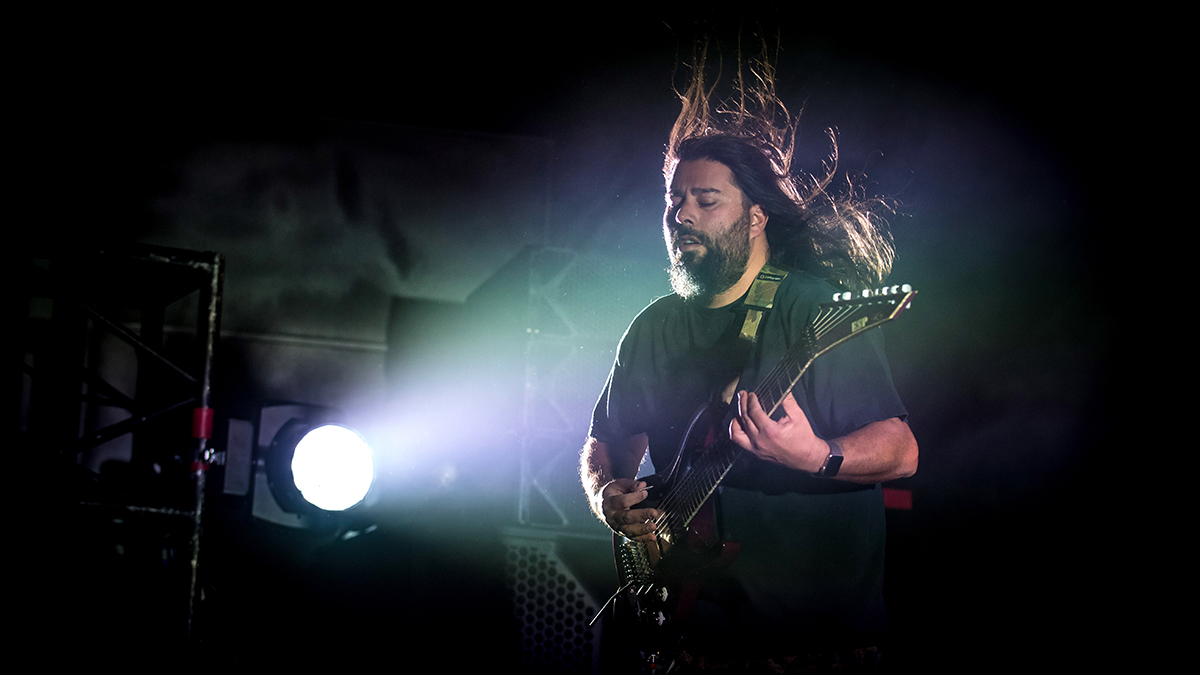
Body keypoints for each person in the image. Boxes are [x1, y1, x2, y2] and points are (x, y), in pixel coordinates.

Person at [580, 47, 918, 670]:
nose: (682, 215)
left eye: (706, 200)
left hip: (816, 646)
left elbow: (901, 450)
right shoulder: (653, 327)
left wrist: (816, 456)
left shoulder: (808, 308)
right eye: (675, 202)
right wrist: (607, 495)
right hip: (693, 644)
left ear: (757, 217)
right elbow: (607, 442)